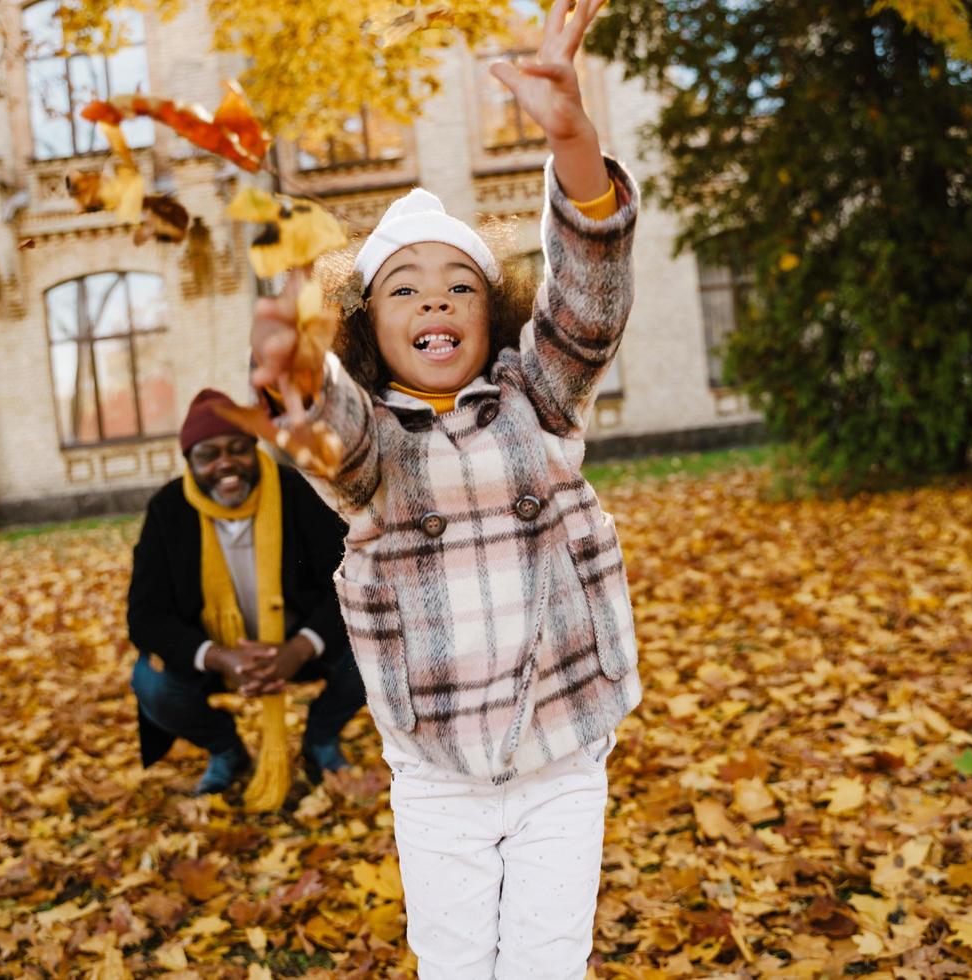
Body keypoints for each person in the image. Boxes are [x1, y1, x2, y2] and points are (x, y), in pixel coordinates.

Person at [248, 1, 640, 974]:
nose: (434, 298)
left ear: (493, 310)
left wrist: (573, 139)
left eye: (460, 284)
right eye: (405, 287)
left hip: (559, 752)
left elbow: (588, 298)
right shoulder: (378, 445)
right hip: (438, 775)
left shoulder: (535, 400)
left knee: (545, 964)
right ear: (370, 330)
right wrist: (293, 367)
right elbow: (332, 435)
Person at [126, 389, 364, 794]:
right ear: (189, 462)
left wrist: (300, 649)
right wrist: (220, 658)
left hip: (300, 646)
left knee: (375, 652)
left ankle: (320, 740)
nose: (226, 464)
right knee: (152, 682)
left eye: (238, 449)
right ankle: (227, 751)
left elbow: (347, 578)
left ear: (255, 450)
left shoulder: (298, 492)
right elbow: (146, 616)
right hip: (217, 654)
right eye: (209, 454)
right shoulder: (168, 510)